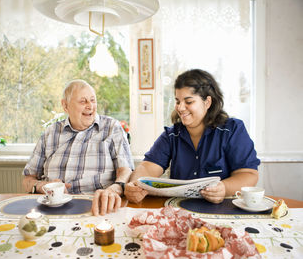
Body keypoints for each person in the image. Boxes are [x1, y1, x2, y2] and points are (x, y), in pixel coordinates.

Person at [125, 69, 260, 204]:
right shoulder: (171, 135)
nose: (181, 108)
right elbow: (147, 167)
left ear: (207, 102)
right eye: (178, 101)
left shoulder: (232, 129)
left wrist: (224, 188)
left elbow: (249, 174)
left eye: (188, 102)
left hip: (222, 210)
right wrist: (134, 184)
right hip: (180, 210)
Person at [23, 79, 134, 216]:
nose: (90, 106)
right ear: (65, 105)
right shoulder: (50, 133)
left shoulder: (112, 128)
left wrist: (115, 188)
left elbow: (126, 170)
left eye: (93, 100)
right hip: (53, 209)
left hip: (97, 208)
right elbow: (28, 179)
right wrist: (42, 186)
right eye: (83, 101)